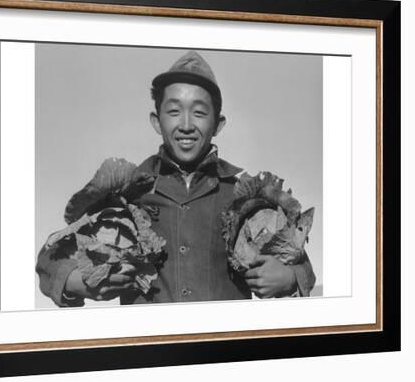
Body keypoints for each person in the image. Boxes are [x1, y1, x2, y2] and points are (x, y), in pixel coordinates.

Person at [36, 50, 316, 307]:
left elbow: (301, 266)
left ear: (218, 124)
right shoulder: (125, 192)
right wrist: (74, 280)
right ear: (156, 121)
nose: (185, 125)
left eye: (199, 112)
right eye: (173, 111)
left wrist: (291, 277)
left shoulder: (244, 198)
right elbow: (51, 256)